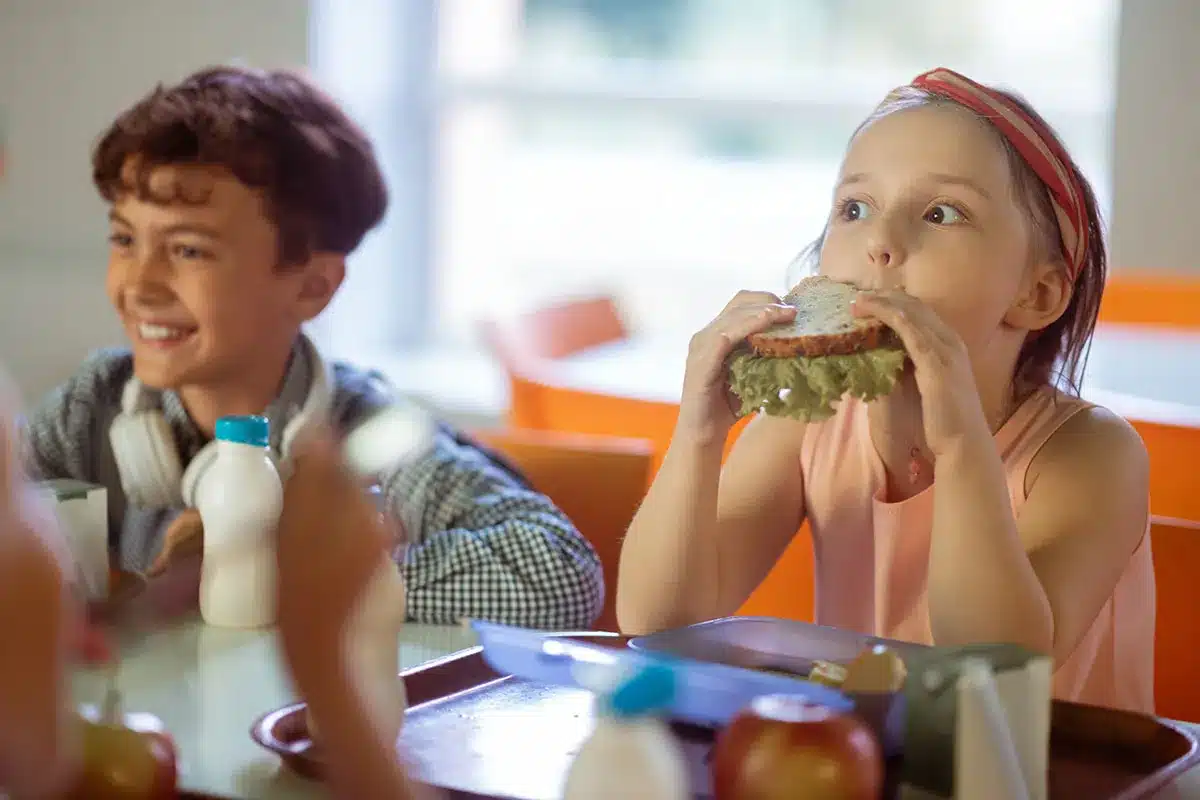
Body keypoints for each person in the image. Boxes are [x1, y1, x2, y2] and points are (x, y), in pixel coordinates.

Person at [617, 67, 1155, 712]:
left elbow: (990, 667)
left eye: (941, 213)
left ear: (1036, 293)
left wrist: (958, 444)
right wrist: (698, 432)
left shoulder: (1091, 456)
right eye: (855, 208)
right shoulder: (807, 426)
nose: (880, 242)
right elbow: (655, 620)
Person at [19, 65, 604, 630]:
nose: (140, 285)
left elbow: (560, 574)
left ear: (311, 287)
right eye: (125, 239)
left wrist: (285, 565)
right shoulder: (90, 408)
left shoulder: (366, 437)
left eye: (188, 250)